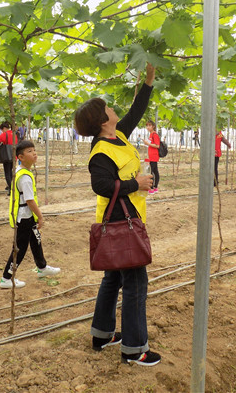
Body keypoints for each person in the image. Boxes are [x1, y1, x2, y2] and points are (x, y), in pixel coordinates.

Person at [74, 62, 161, 366]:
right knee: (136, 283)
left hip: (127, 215)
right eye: (108, 108)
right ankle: (134, 349)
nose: (113, 109)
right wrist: (137, 183)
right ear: (102, 120)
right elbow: (100, 186)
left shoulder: (119, 136)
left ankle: (102, 335)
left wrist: (149, 80)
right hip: (117, 220)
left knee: (113, 277)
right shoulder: (101, 150)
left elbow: (137, 111)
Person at [0, 140, 60, 289]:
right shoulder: (25, 177)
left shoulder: (22, 171)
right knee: (19, 248)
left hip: (27, 215)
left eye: (34, 150)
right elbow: (29, 200)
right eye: (29, 151)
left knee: (35, 240)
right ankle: (6, 278)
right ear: (20, 157)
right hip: (24, 217)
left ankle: (42, 267)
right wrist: (40, 216)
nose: (34, 154)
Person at [0, 121, 16, 192]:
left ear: (4, 128)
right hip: (14, 155)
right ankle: (11, 186)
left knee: (7, 173)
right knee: (11, 171)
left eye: (2, 130)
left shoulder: (5, 134)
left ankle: (11, 189)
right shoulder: (13, 134)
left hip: (7, 155)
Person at [144, 120, 160, 194]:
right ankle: (155, 187)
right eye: (147, 125)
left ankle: (152, 188)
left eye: (149, 125)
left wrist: (148, 143)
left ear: (153, 126)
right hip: (151, 156)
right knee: (155, 171)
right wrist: (147, 143)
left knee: (151, 172)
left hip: (154, 156)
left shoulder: (155, 135)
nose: (148, 127)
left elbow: (157, 145)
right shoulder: (150, 135)